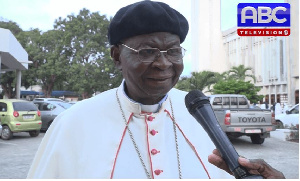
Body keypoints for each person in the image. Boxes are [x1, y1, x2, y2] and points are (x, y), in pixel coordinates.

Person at [27, 0, 285, 179]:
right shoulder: (74, 121)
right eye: (147, 51)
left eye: (173, 51)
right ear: (117, 56)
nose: (163, 64)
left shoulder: (195, 112)